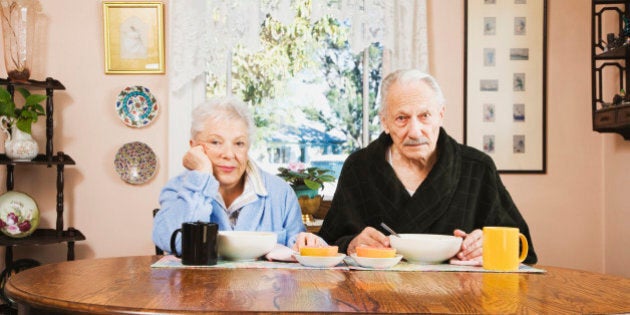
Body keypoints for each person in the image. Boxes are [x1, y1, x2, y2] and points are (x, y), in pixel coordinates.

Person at [318, 69, 537, 264]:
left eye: (425, 116)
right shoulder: (359, 167)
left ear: (440, 115)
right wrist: (351, 244)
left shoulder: (477, 168)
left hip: (460, 302)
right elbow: (327, 245)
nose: (415, 131)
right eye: (402, 118)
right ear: (384, 122)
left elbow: (522, 246)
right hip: (376, 300)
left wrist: (488, 246)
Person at [153, 96, 322, 255]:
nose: (229, 154)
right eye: (215, 142)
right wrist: (201, 178)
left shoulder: (281, 193)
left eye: (239, 143)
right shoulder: (177, 188)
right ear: (194, 147)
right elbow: (176, 244)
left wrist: (308, 242)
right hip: (199, 286)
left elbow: (299, 249)